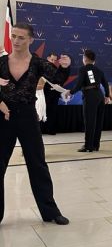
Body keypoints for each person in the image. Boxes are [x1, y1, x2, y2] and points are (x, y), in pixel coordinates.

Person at [0, 22, 71, 225]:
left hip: (28, 117)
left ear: (31, 40)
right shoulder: (1, 62)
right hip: (3, 117)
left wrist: (65, 67)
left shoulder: (38, 63)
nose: (16, 41)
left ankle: (50, 212)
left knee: (37, 164)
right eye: (13, 36)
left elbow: (58, 78)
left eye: (21, 37)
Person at [65, 49, 110, 152]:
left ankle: (88, 146)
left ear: (85, 58)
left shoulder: (83, 69)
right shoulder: (98, 70)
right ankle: (96, 145)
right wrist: (107, 96)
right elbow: (105, 84)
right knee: (98, 122)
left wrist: (70, 92)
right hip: (100, 96)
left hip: (90, 97)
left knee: (90, 121)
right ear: (94, 60)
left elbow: (79, 84)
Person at [42, 52, 60, 135]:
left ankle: (51, 129)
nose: (53, 61)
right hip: (45, 92)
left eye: (55, 60)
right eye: (52, 59)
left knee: (53, 111)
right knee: (44, 110)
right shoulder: (43, 67)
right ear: (48, 58)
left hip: (54, 93)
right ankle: (42, 129)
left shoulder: (56, 69)